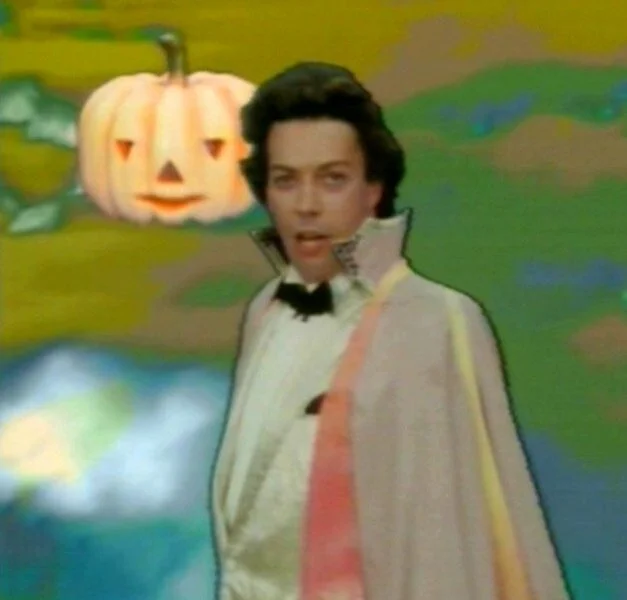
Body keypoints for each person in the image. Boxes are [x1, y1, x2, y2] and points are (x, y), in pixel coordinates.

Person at [211, 62, 570, 600]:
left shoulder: (438, 320)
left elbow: (452, 537)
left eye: (332, 179)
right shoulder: (266, 311)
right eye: (286, 180)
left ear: (373, 187)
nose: (306, 205)